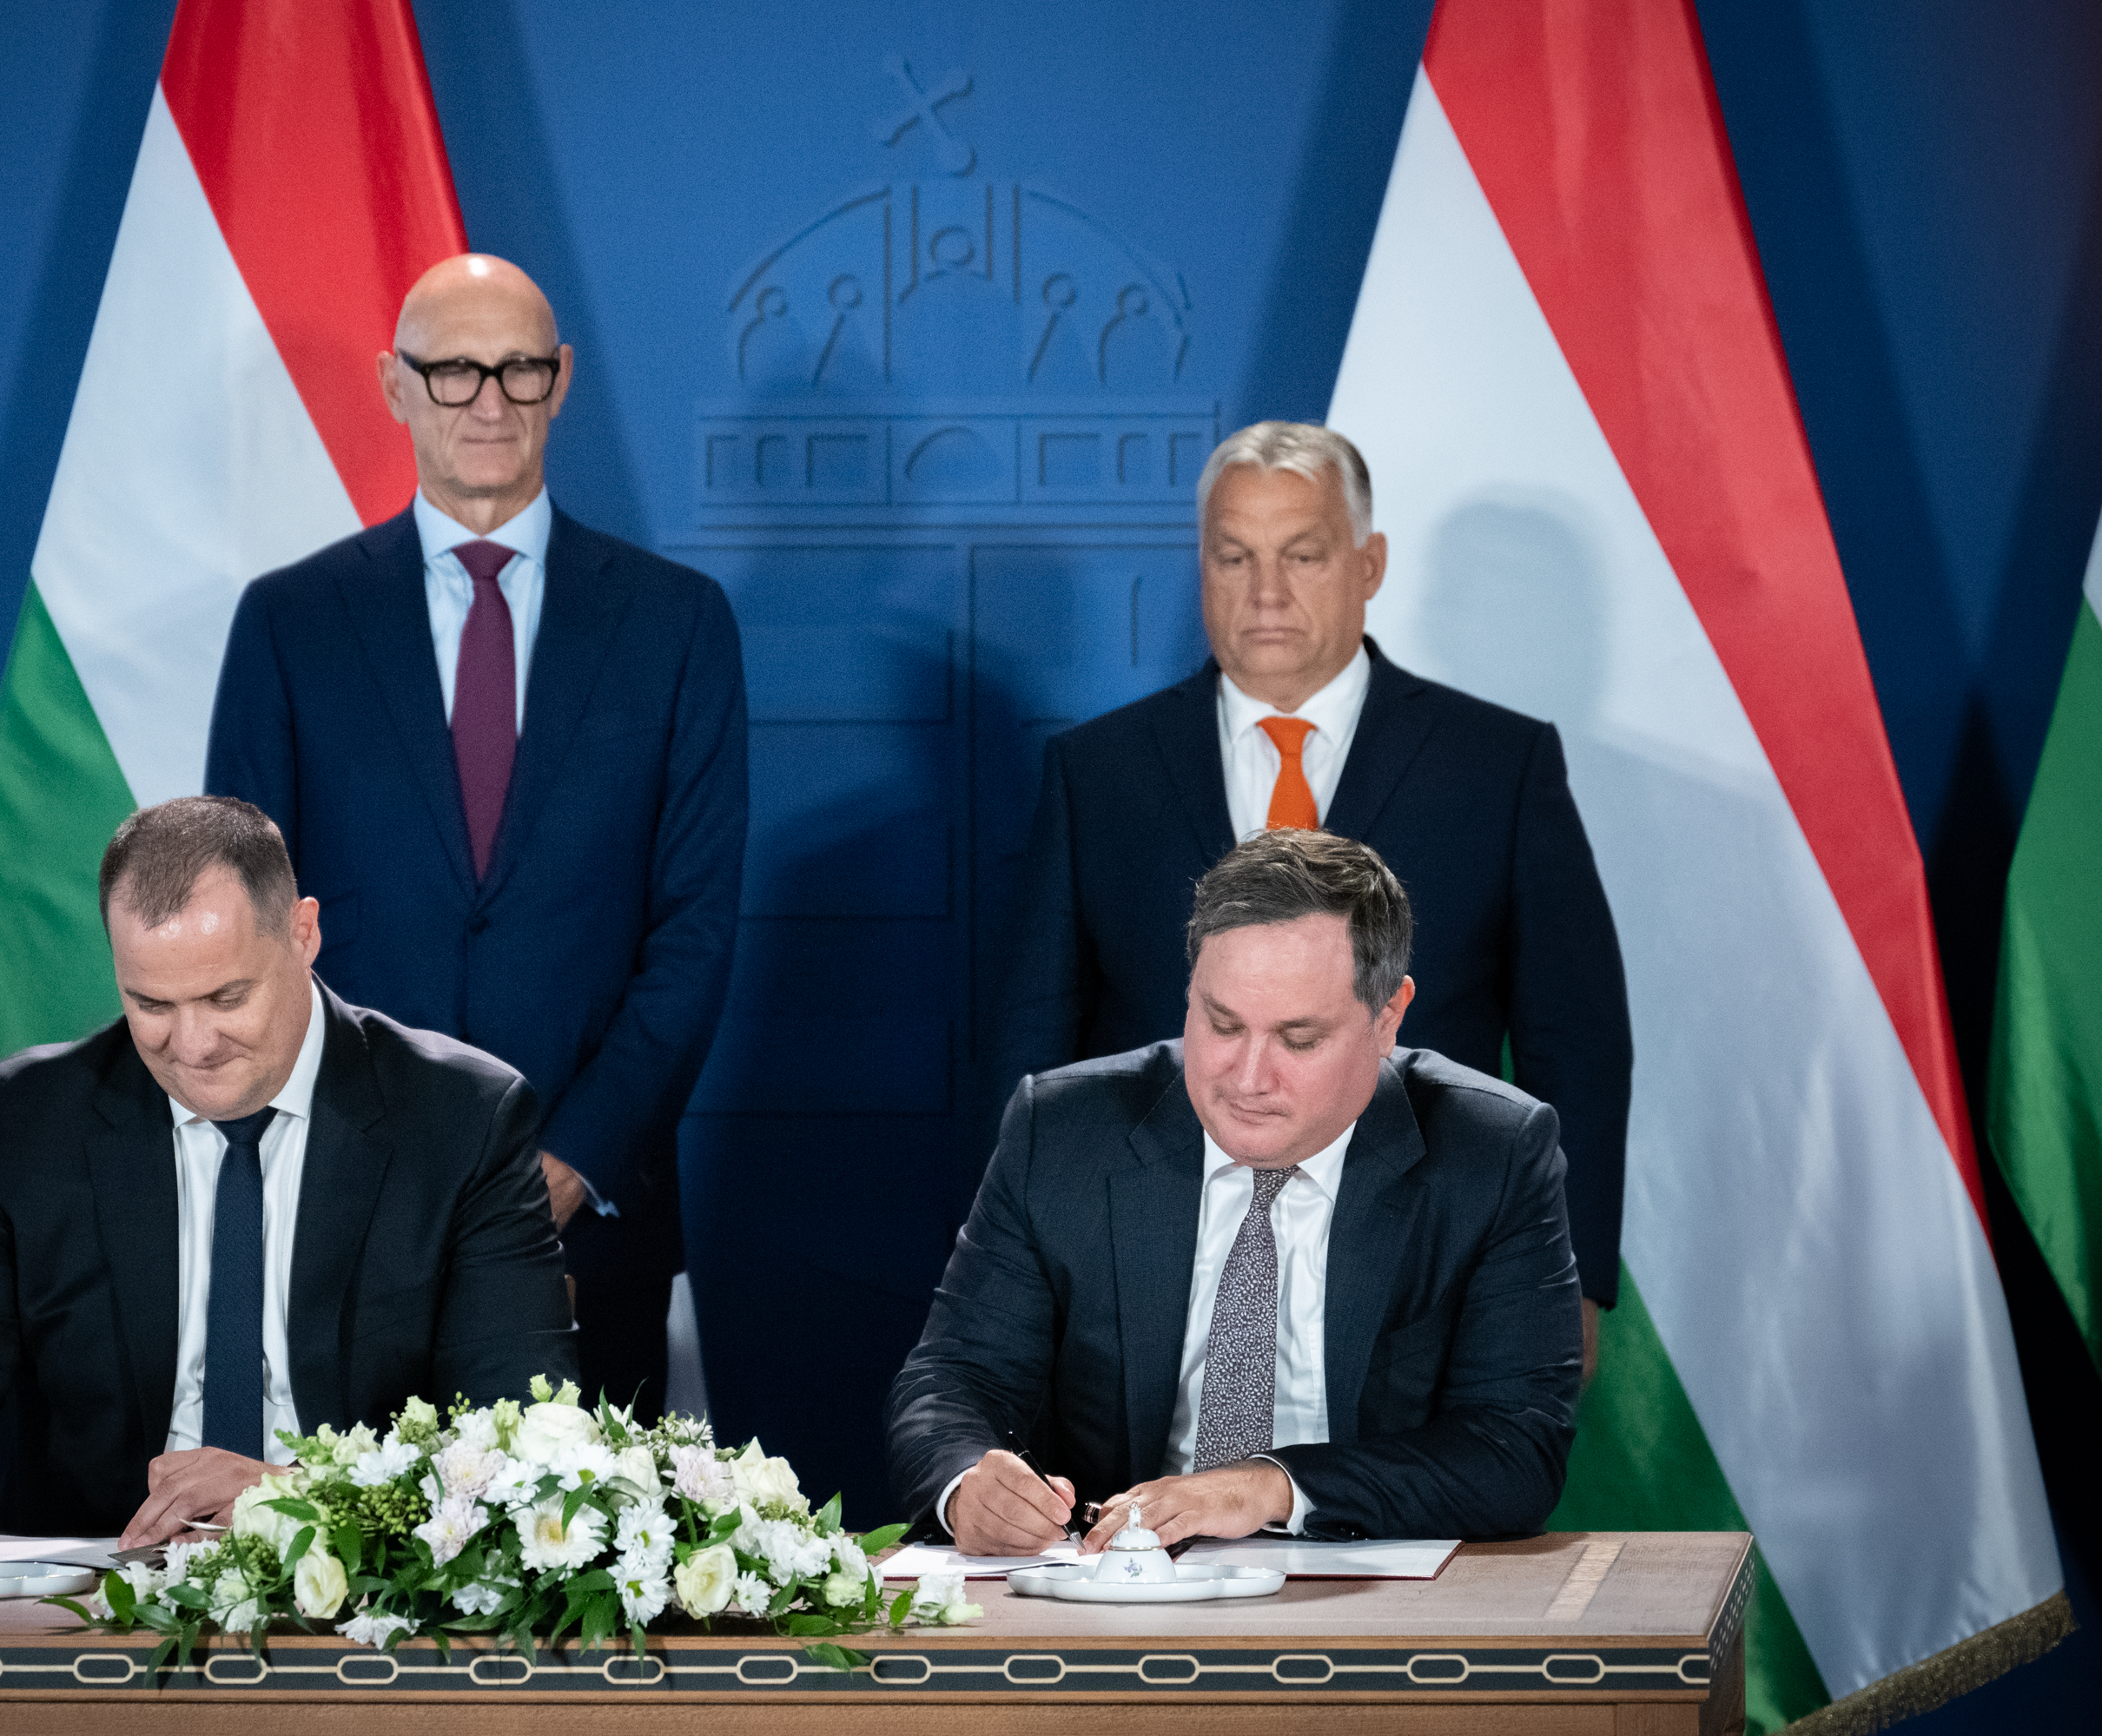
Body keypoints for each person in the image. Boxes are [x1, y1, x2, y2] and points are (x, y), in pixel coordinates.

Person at [206, 254, 744, 1422]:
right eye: (454, 370)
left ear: (563, 380)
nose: (489, 400)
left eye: (518, 369)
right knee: (340, 1535)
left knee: (592, 1541)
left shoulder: (677, 624)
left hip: (592, 1223)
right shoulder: (290, 624)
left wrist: (568, 1163)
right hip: (346, 1211)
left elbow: (693, 936)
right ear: (395, 384)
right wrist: (367, 1164)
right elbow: (243, 931)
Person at [992, 420, 1629, 1370]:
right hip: (1142, 1291)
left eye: (1302, 554)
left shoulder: (1499, 768)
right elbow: (1033, 1046)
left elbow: (1574, 1042)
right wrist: (1013, 1274)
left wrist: (1566, 1277)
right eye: (1235, 557)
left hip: (1429, 1287)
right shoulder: (1098, 772)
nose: (1267, 593)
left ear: (1369, 565)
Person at [0, 797, 575, 1556]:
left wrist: (296, 1497)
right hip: (89, 1597)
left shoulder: (463, 1120)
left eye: (226, 997)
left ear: (303, 933)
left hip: (360, 1596)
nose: (192, 1044)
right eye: (151, 1003)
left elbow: (518, 1446)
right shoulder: (27, 1121)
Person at [896, 830, 1581, 1551]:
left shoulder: (1493, 1152)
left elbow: (1514, 1447)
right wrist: (966, 1484)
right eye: (1222, 1024)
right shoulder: (1063, 1131)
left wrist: (1269, 1486)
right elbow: (953, 1379)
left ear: (1387, 1018)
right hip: (1116, 1585)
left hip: (1367, 1582)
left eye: (1298, 1039)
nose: (1248, 1077)